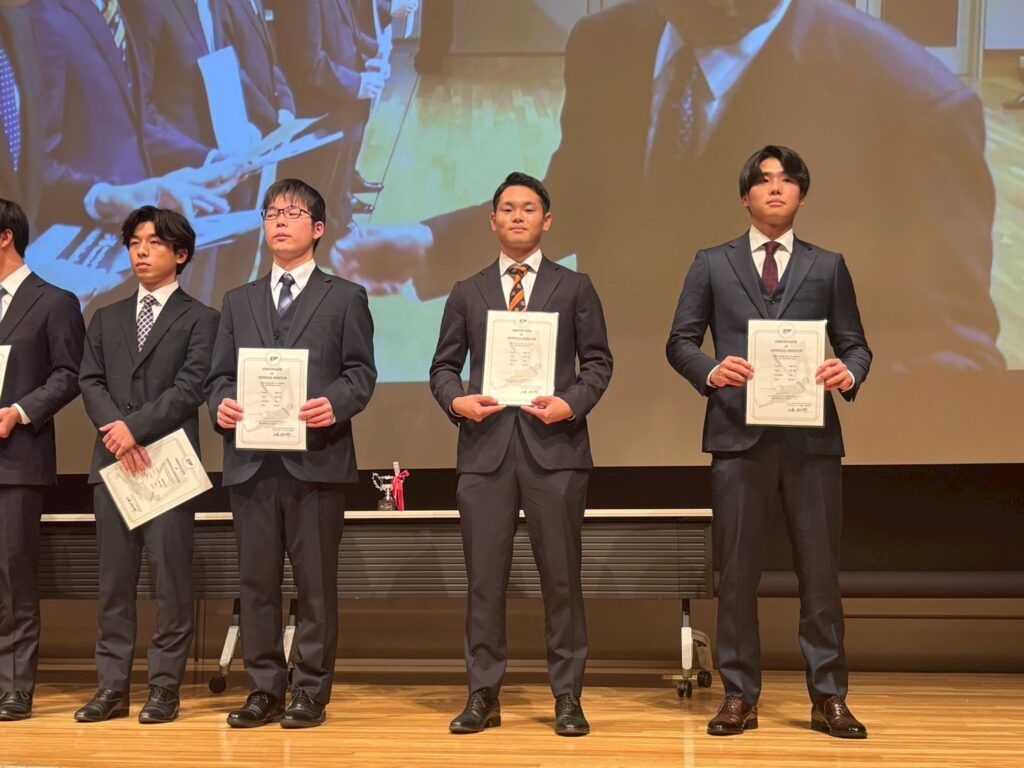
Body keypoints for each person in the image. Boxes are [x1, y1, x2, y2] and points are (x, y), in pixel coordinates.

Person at [666, 145, 871, 739]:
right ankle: (738, 696)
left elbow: (856, 345)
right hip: (737, 438)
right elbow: (680, 341)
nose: (775, 188)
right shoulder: (712, 263)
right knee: (736, 575)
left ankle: (829, 697)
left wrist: (848, 372)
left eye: (786, 180)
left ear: (801, 196)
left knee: (821, 576)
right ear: (745, 196)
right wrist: (711, 370)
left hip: (812, 443)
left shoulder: (828, 265)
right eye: (763, 180)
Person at [430, 172, 612, 737]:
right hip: (484, 454)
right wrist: (458, 401)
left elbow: (598, 363)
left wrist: (571, 404)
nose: (517, 216)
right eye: (507, 208)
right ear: (492, 221)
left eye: (528, 208)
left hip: (555, 451)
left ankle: (568, 697)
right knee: (485, 581)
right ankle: (483, 693)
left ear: (546, 220)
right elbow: (443, 368)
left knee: (562, 580)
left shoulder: (574, 286)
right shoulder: (467, 290)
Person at [206, 178, 376, 729]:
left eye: (293, 213)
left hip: (317, 461)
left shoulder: (345, 296)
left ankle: (310, 691)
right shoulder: (238, 300)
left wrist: (336, 403)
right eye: (272, 212)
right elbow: (217, 378)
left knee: (315, 584)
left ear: (318, 228)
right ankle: (264, 689)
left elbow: (361, 374)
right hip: (252, 464)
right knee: (256, 583)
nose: (280, 221)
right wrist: (222, 405)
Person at [75, 206, 219, 724]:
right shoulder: (106, 316)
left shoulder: (202, 318)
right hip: (113, 463)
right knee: (114, 583)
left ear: (180, 254)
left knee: (171, 582)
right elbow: (89, 381)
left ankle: (164, 687)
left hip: (168, 463)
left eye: (154, 242)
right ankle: (111, 687)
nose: (141, 251)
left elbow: (191, 386)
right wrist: (117, 430)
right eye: (135, 242)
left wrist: (134, 428)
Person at [0, 197, 85, 721]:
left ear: (4, 236)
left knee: (13, 578)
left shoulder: (54, 301)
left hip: (15, 461)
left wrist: (18, 411)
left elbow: (69, 374)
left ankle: (14, 686)